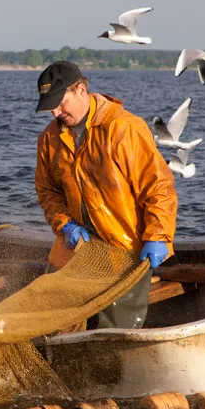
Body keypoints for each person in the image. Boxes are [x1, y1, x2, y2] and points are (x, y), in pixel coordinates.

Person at [33, 60, 178, 329]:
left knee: (115, 328)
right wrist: (64, 224)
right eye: (49, 106)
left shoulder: (123, 128)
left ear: (80, 89)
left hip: (124, 250)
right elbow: (47, 190)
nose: (55, 112)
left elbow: (158, 188)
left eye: (60, 102)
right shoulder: (49, 139)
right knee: (48, 316)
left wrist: (158, 236)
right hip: (76, 247)